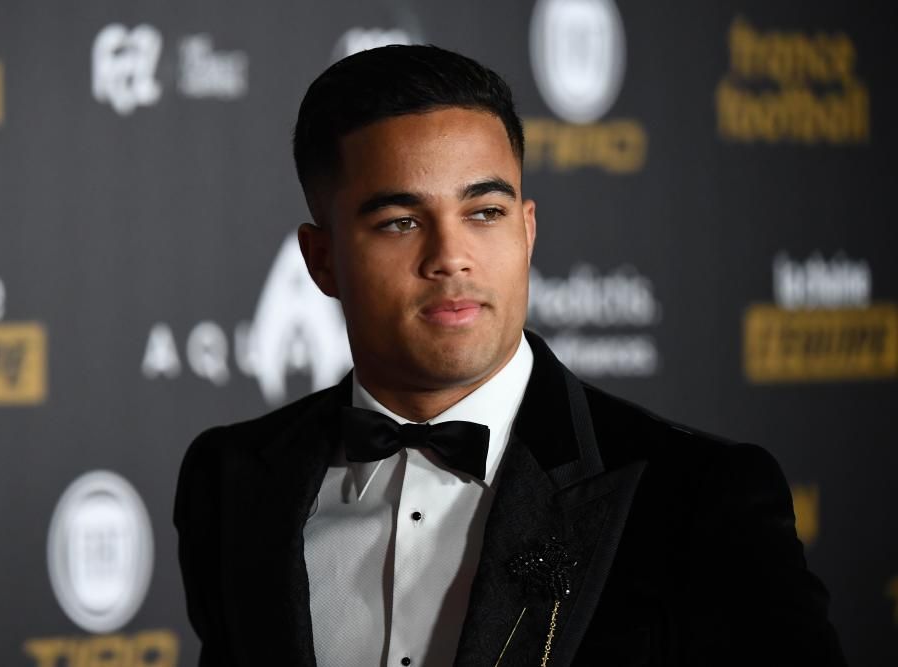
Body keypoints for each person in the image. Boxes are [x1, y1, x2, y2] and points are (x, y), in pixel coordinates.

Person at [174, 45, 845, 666]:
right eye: (400, 221)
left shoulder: (699, 496)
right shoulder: (233, 484)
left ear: (526, 230)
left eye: (484, 212)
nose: (449, 257)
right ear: (321, 260)